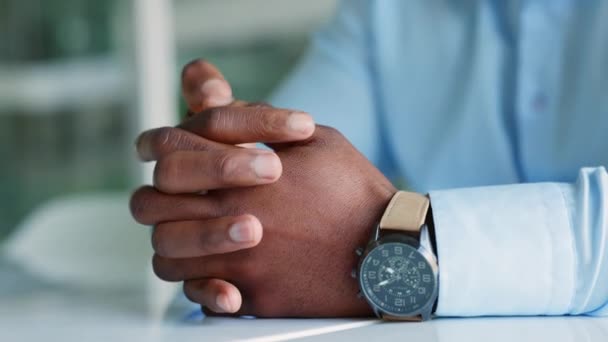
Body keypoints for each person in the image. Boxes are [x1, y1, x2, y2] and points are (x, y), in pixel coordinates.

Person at [130, 0, 608, 319]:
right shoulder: (385, 13)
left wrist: (404, 241)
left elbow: (332, 228)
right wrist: (223, 175)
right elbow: (283, 186)